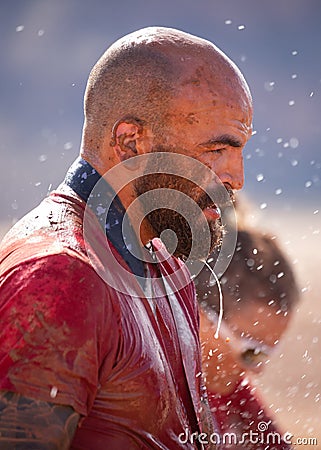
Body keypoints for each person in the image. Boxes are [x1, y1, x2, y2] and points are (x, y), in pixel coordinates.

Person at [0, 27, 253, 449]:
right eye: (216, 151)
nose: (236, 179)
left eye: (240, 151)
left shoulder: (164, 264)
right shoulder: (60, 276)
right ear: (130, 143)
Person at [195, 221, 300, 449]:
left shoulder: (232, 393)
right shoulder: (165, 402)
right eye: (252, 351)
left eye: (267, 353)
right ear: (199, 317)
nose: (257, 369)